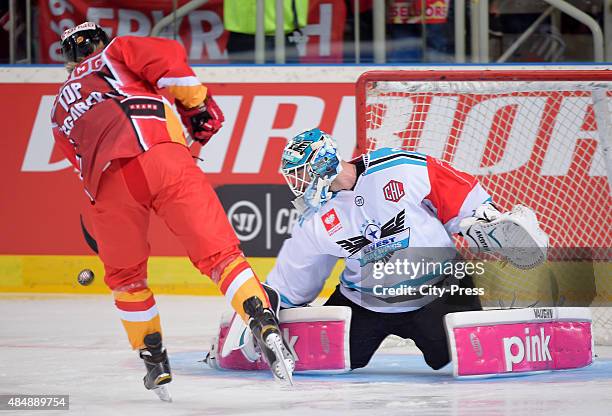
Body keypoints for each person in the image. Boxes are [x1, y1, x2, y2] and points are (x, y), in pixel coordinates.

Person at [50, 22, 294, 400]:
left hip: (108, 184)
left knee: (126, 278)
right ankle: (263, 322)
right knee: (220, 255)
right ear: (100, 42)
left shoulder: (57, 109)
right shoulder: (116, 52)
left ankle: (154, 360)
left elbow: (79, 164)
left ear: (67, 59)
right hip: (162, 155)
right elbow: (168, 58)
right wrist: (195, 105)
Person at [262, 128, 548, 371]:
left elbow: (455, 193)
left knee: (467, 360)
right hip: (364, 303)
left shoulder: (401, 167)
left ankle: (522, 334)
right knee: (321, 362)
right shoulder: (314, 219)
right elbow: (295, 277)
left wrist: (477, 219)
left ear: (323, 164)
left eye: (300, 172)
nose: (297, 183)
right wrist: (268, 312)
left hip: (439, 291)